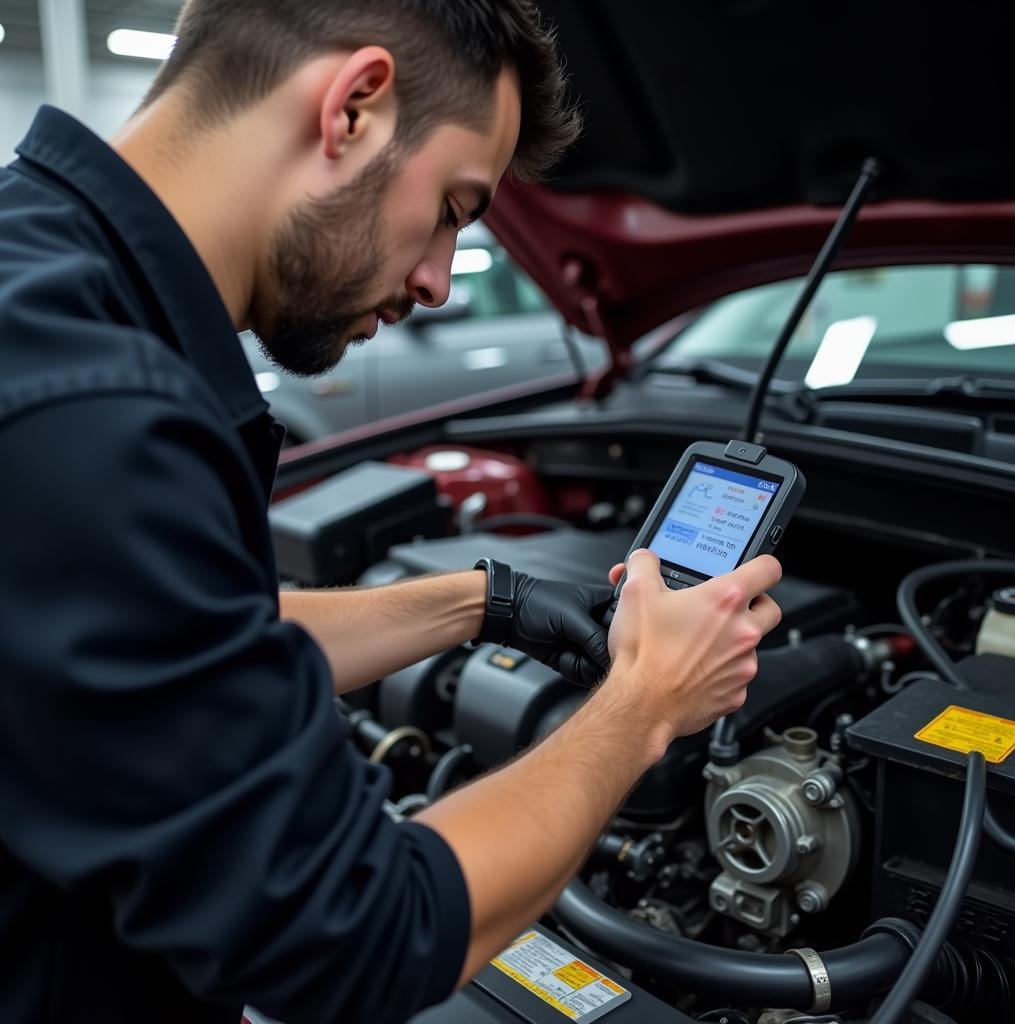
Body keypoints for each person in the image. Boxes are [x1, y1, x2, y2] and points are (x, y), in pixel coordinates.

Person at [0, 1, 783, 1022]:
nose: (440, 282)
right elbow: (358, 932)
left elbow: (174, 646)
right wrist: (641, 704)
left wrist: (484, 601)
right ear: (354, 106)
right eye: (456, 207)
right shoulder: (90, 410)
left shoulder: (46, 290)